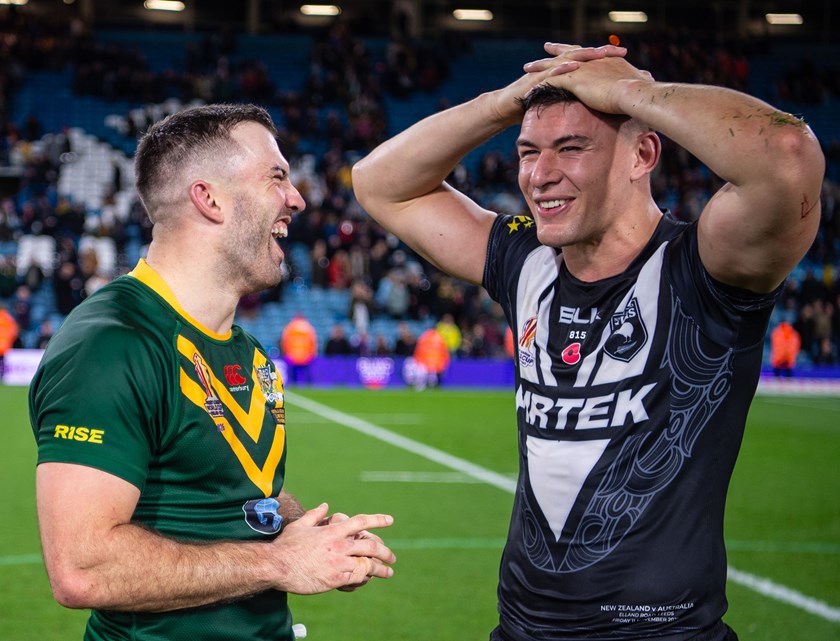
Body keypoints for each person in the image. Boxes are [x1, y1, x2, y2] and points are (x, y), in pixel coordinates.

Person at [353, 42, 824, 641]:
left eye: (571, 148)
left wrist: (631, 94)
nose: (539, 175)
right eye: (528, 152)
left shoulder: (705, 267)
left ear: (642, 152)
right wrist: (503, 102)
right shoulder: (525, 260)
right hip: (520, 630)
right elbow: (378, 184)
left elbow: (786, 155)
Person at [29, 104, 396, 641]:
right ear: (209, 198)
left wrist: (305, 531)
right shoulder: (112, 343)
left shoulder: (247, 351)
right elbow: (83, 568)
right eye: (277, 177)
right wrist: (278, 565)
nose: (296, 198)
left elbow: (232, 491)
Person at [280, 312, 318, 384]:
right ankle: (306, 384)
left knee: (293, 373)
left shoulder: (289, 327)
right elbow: (313, 342)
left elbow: (284, 341)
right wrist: (313, 353)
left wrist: (285, 352)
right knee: (305, 373)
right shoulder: (309, 327)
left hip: (292, 354)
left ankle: (294, 383)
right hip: (306, 354)